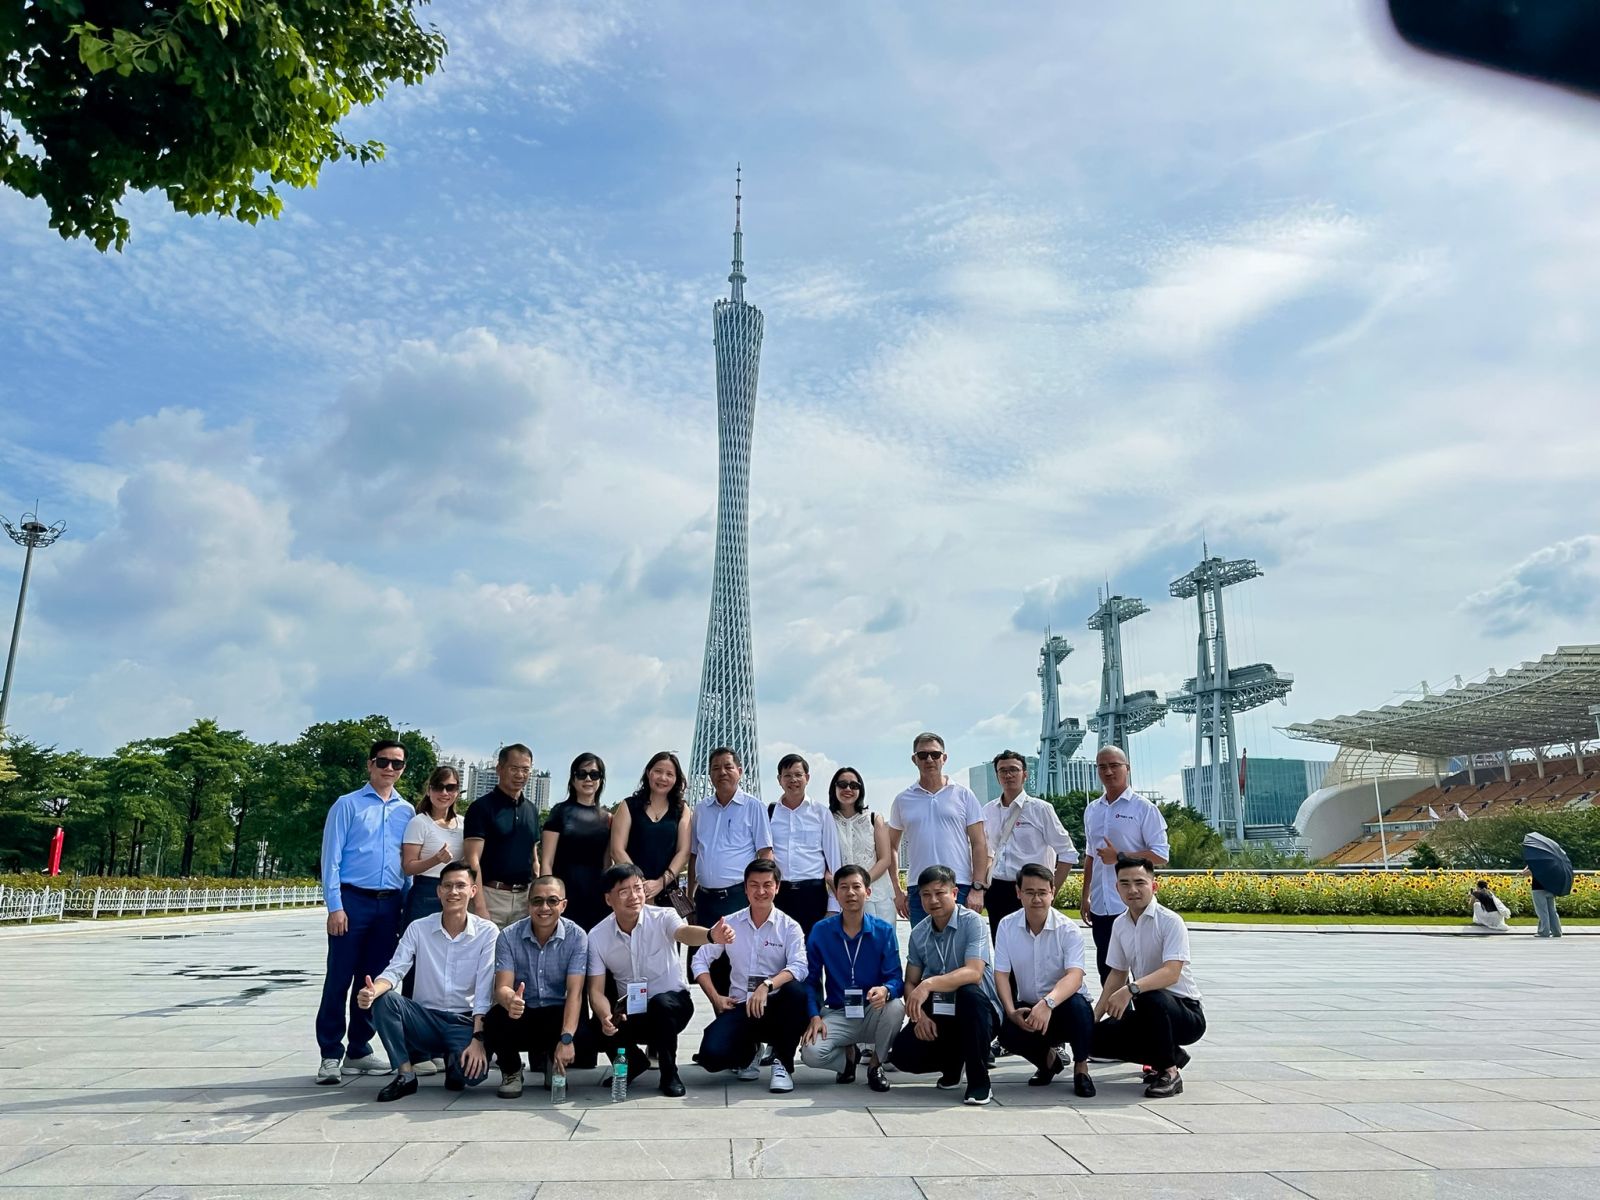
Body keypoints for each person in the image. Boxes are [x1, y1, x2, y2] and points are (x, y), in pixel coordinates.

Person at [314, 739, 416, 1085]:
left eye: (397, 764)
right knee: (339, 977)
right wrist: (335, 906)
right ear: (370, 764)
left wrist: (405, 907)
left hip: (389, 904)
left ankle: (359, 1048)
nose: (389, 769)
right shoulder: (348, 805)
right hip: (353, 899)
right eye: (383, 762)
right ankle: (330, 1053)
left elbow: (407, 864)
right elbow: (331, 859)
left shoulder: (406, 811)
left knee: (373, 980)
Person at [354, 860, 498, 1101]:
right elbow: (395, 970)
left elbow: (485, 989)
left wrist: (478, 1039)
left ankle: (454, 1062)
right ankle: (406, 1074)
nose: (453, 892)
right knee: (384, 1000)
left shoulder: (488, 932)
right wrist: (372, 991)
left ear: (473, 891)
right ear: (439, 891)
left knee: (472, 1076)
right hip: (424, 1019)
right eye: (447, 886)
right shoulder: (418, 928)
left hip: (463, 1020)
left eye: (460, 886)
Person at [587, 863, 734, 1097]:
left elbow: (684, 934)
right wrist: (606, 1017)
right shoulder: (597, 936)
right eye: (624, 891)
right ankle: (633, 1062)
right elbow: (595, 991)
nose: (634, 896)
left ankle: (669, 1073)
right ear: (608, 899)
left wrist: (710, 935)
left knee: (661, 1004)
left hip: (672, 1007)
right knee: (596, 1023)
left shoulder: (664, 916)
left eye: (638, 888)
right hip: (631, 1010)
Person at [691, 858, 810, 1093]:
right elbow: (699, 960)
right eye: (754, 885)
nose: (761, 891)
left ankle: (783, 1064)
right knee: (712, 1057)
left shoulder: (789, 927)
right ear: (745, 888)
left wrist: (767, 985)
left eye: (767, 885)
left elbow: (800, 966)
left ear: (777, 887)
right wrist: (715, 997)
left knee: (797, 992)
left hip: (775, 1006)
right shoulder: (730, 923)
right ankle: (750, 1051)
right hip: (741, 1006)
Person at [888, 864, 1003, 1106]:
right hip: (942, 1011)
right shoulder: (919, 933)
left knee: (968, 993)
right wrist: (919, 1017)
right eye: (926, 894)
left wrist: (928, 984)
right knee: (902, 1055)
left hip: (980, 1012)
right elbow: (910, 982)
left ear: (954, 893)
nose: (933, 900)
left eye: (940, 893)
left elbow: (974, 972)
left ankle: (979, 1081)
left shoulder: (972, 922)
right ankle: (953, 1063)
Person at [1091, 857, 1205, 1099]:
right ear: (1117, 888)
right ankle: (1171, 1054)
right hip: (1148, 1012)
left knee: (1148, 996)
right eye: (1125, 883)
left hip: (1184, 1014)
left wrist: (1130, 989)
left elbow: (1171, 973)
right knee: (1091, 1039)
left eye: (1139, 882)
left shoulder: (1170, 921)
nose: (1132, 890)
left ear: (1154, 886)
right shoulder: (1120, 924)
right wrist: (1094, 1016)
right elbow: (1117, 973)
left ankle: (1169, 1072)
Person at [484, 876, 596, 1098]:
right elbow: (502, 987)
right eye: (537, 901)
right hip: (524, 1010)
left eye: (552, 901)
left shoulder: (577, 936)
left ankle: (553, 1061)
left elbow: (575, 993)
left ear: (563, 905)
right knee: (495, 1019)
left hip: (556, 1012)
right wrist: (510, 999)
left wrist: (566, 1038)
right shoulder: (508, 936)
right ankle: (512, 1070)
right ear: (528, 905)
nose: (544, 907)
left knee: (583, 1027)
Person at [994, 862, 1096, 1095]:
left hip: (1063, 1006)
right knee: (1005, 1028)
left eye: (1042, 892)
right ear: (1018, 892)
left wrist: (1048, 1003)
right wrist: (1010, 1011)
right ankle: (1048, 1062)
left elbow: (1075, 976)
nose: (1036, 899)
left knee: (1079, 1007)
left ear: (1052, 892)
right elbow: (1001, 973)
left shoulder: (1068, 929)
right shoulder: (1007, 926)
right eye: (1029, 892)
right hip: (1029, 1007)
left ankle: (1081, 1068)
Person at [800, 863, 903, 1091]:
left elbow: (896, 978)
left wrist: (886, 990)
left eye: (857, 887)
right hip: (839, 1012)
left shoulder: (883, 931)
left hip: (872, 1010)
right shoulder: (821, 931)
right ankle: (848, 1060)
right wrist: (814, 1015)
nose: (850, 893)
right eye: (844, 887)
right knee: (810, 1053)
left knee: (896, 1007)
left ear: (868, 892)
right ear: (836, 894)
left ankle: (875, 1065)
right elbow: (810, 979)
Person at [688, 746, 774, 994]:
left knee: (740, 960)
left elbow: (765, 853)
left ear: (740, 771)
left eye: (728, 767)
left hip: (738, 896)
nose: (722, 772)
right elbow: (694, 855)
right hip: (706, 899)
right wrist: (691, 896)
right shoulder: (701, 809)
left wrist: (762, 894)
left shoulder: (753, 806)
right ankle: (720, 1010)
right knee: (709, 963)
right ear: (709, 774)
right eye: (716, 768)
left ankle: (745, 1012)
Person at [1081, 746, 1170, 982]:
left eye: (1114, 765)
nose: (1108, 772)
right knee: (1107, 968)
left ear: (1127, 768)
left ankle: (1142, 1007)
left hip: (1134, 902)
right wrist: (1085, 896)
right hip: (1101, 904)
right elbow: (1090, 856)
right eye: (1102, 767)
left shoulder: (1144, 808)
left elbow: (1161, 855)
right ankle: (1116, 1008)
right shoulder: (1092, 810)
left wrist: (1120, 856)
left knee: (1144, 969)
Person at [888, 733, 989, 928]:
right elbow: (891, 846)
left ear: (944, 758)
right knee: (923, 945)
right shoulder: (902, 800)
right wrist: (897, 891)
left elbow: (979, 843)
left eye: (935, 754)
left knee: (961, 945)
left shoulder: (964, 795)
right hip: (919, 888)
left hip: (959, 885)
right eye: (923, 755)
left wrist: (978, 888)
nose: (929, 759)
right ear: (914, 759)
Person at [979, 750, 1078, 939]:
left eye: (1014, 770)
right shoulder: (988, 810)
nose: (1008, 775)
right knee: (1002, 947)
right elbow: (988, 851)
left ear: (1025, 774)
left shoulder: (1040, 809)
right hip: (997, 889)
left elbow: (1068, 853)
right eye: (1003, 771)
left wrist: (1051, 891)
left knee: (1034, 946)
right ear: (997, 776)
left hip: (1031, 890)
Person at [399, 765, 466, 1021]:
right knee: (417, 962)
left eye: (451, 787)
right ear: (429, 790)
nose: (444, 793)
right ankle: (412, 1030)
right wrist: (436, 860)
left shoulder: (463, 824)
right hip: (426, 892)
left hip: (455, 895)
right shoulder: (420, 822)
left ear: (457, 791)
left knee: (450, 961)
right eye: (439, 787)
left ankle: (446, 1027)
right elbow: (408, 866)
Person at [464, 743, 542, 928]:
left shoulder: (531, 810)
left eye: (525, 769)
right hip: (491, 896)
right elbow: (472, 859)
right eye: (514, 768)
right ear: (499, 768)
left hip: (524, 899)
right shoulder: (481, 808)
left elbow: (534, 857)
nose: (520, 775)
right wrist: (480, 906)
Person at [768, 753, 842, 938]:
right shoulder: (769, 813)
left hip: (813, 895)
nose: (793, 780)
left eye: (798, 774)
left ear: (807, 778)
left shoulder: (821, 813)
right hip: (779, 895)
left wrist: (833, 906)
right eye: (787, 775)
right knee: (779, 950)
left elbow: (834, 861)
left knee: (813, 950)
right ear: (779, 780)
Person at [610, 751, 692, 909]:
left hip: (669, 892)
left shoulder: (682, 809)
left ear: (676, 779)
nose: (663, 778)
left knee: (676, 925)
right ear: (648, 773)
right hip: (632, 892)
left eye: (669, 774)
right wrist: (640, 885)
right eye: (658, 771)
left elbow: (684, 852)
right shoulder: (629, 806)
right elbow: (617, 850)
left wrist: (661, 883)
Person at [541, 752, 613, 931]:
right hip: (563, 893)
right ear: (573, 779)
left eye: (594, 774)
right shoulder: (559, 812)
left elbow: (607, 864)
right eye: (582, 774)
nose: (588, 779)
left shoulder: (608, 818)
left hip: (596, 895)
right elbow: (547, 861)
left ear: (601, 780)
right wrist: (548, 896)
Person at [828, 767, 897, 926]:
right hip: (841, 897)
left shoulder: (874, 818)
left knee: (881, 939)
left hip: (876, 896)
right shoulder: (827, 820)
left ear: (861, 789)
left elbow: (885, 859)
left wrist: (861, 883)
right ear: (834, 788)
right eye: (842, 784)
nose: (848, 789)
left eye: (854, 785)